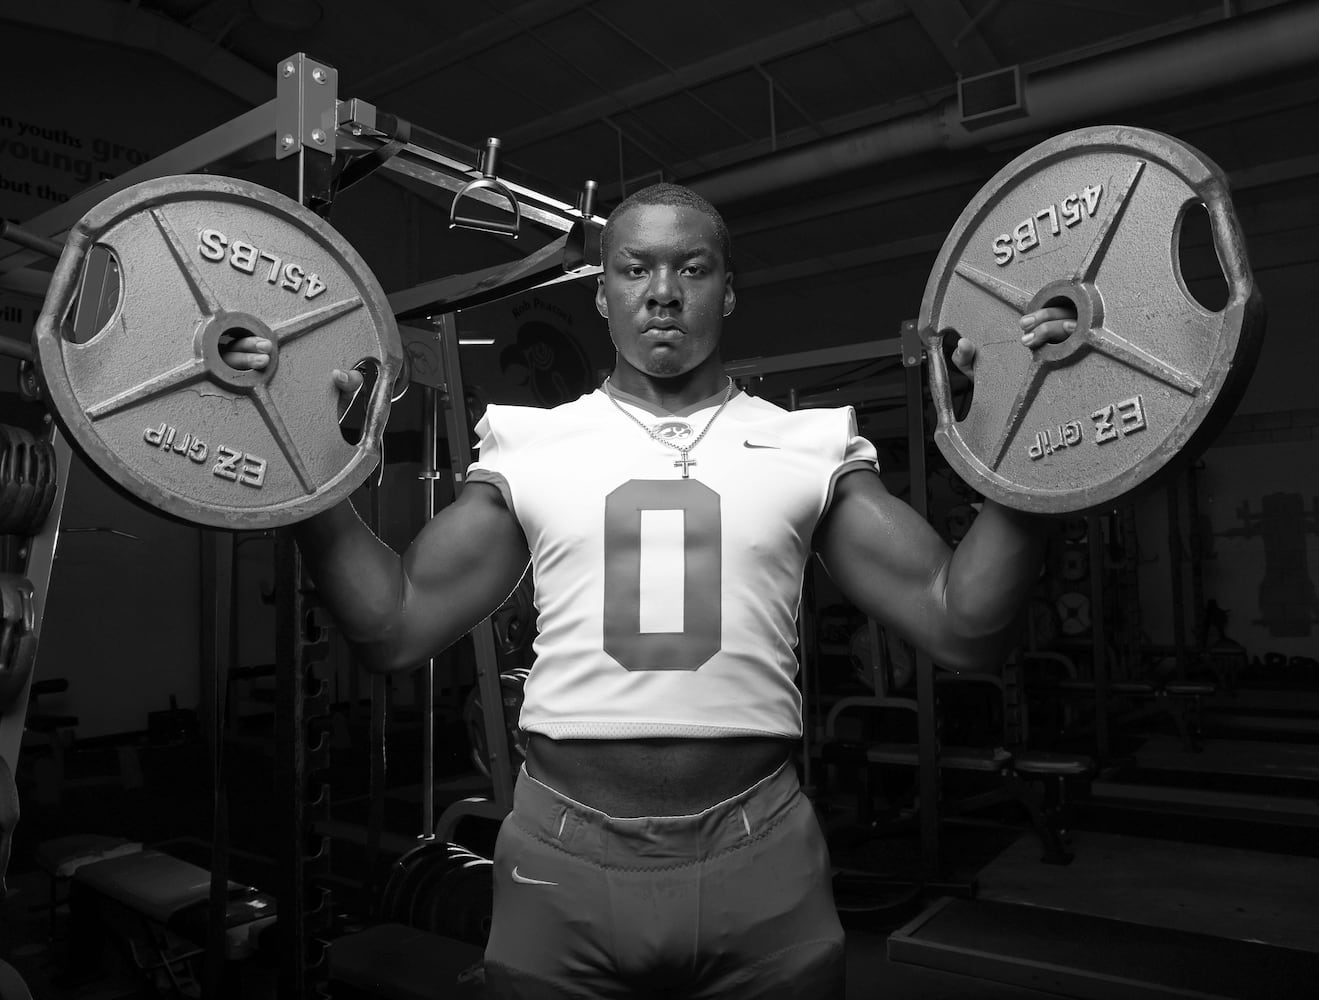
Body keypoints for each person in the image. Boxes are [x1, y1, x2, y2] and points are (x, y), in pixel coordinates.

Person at [225, 182, 1074, 999]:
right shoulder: (532, 446)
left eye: (691, 269)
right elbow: (394, 628)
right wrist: (300, 453)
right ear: (602, 295)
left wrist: (1038, 421)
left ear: (727, 293)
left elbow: (964, 627)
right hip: (558, 859)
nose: (662, 293)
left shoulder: (807, 445)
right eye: (634, 269)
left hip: (762, 855)